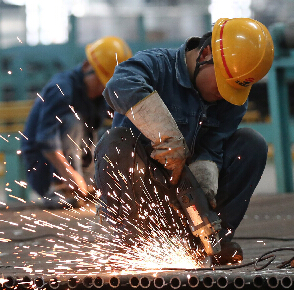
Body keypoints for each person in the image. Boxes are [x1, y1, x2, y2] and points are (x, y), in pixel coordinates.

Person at [94, 18, 274, 265]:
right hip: (142, 192)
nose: (226, 94)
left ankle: (209, 240)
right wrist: (165, 134)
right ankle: (132, 243)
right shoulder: (156, 64)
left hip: (182, 201)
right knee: (114, 142)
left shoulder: (232, 97)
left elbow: (213, 147)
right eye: (223, 83)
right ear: (205, 54)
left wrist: (204, 185)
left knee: (251, 144)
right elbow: (118, 86)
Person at [21, 36, 132, 204]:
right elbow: (46, 140)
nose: (102, 89)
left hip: (79, 169)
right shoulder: (61, 89)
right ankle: (60, 189)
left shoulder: (100, 96)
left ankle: (84, 186)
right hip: (43, 167)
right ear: (87, 66)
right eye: (100, 82)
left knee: (113, 133)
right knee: (73, 121)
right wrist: (69, 174)